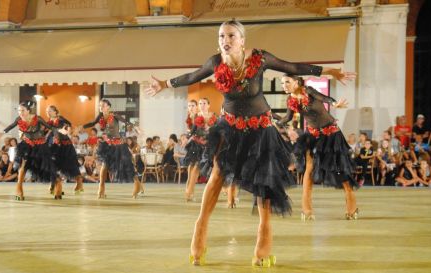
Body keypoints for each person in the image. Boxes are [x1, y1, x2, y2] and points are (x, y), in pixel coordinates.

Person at [146, 19, 356, 266]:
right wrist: (164, 84)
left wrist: (329, 72)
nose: (226, 40)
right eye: (222, 36)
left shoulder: (260, 59)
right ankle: (200, 227)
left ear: (242, 40)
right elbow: (193, 75)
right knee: (216, 176)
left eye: (232, 36)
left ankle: (263, 238)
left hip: (260, 130)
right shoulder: (215, 62)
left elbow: (293, 66)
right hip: (229, 128)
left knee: (263, 185)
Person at [276, 74, 357, 221]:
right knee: (309, 169)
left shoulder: (309, 91)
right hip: (313, 136)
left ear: (296, 82)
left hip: (332, 134)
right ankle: (306, 210)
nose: (284, 85)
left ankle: (352, 207)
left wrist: (334, 104)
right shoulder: (291, 100)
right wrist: (274, 120)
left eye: (287, 82)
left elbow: (324, 98)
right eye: (282, 83)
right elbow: (287, 118)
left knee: (340, 170)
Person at [0, 101, 60, 200]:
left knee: (47, 167)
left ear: (28, 110)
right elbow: (11, 126)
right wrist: (2, 133)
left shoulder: (37, 118)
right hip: (27, 145)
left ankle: (57, 184)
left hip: (40, 146)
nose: (20, 112)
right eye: (19, 110)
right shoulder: (18, 119)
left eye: (22, 110)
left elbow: (50, 127)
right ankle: (19, 188)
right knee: (23, 165)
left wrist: (59, 133)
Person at [81, 99, 142, 199]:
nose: (101, 107)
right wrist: (82, 126)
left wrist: (136, 127)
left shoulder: (114, 115)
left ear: (108, 106)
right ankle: (101, 187)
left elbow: (126, 122)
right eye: (100, 105)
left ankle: (137, 185)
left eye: (103, 105)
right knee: (105, 165)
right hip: (107, 144)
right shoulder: (100, 116)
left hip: (118, 145)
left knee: (127, 165)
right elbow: (92, 123)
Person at [45, 105, 84, 198]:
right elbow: (48, 131)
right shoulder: (49, 122)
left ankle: (79, 183)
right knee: (53, 165)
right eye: (47, 111)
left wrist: (67, 129)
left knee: (71, 166)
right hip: (55, 146)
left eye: (50, 111)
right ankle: (54, 184)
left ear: (55, 112)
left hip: (66, 147)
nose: (48, 112)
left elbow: (67, 125)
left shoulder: (60, 119)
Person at [185, 98, 218, 203]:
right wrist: (187, 138)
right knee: (194, 169)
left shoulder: (214, 116)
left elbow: (218, 129)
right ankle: (189, 193)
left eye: (204, 103)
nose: (202, 105)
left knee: (216, 169)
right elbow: (193, 130)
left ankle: (224, 191)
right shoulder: (197, 117)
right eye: (200, 103)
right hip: (197, 146)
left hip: (209, 146)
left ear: (208, 105)